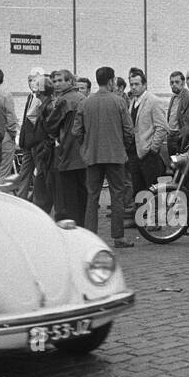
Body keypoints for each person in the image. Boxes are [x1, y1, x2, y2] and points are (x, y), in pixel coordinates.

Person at [75, 66, 135, 248]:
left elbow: (77, 131)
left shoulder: (85, 103)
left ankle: (90, 236)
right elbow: (128, 131)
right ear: (111, 81)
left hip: (93, 156)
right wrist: (122, 146)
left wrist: (86, 147)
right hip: (115, 156)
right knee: (117, 195)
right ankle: (118, 237)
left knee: (92, 196)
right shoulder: (119, 102)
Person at [45, 69, 87, 223]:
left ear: (70, 81)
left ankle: (74, 226)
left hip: (67, 151)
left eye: (60, 80)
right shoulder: (83, 98)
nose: (56, 84)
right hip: (83, 152)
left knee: (68, 195)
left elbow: (51, 125)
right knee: (82, 192)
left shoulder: (63, 101)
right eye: (55, 81)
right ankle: (84, 225)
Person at [129, 69, 169, 197]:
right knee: (138, 189)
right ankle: (141, 214)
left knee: (152, 189)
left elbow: (162, 127)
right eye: (132, 84)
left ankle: (155, 215)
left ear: (144, 85)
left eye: (137, 84)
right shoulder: (133, 102)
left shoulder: (153, 101)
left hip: (148, 154)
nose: (134, 87)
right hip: (135, 153)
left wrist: (153, 149)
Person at [19, 67, 54, 212]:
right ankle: (25, 202)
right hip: (31, 144)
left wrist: (38, 144)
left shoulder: (46, 104)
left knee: (40, 177)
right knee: (28, 175)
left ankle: (38, 206)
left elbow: (42, 126)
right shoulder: (32, 98)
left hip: (38, 145)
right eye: (29, 80)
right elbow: (28, 121)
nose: (31, 83)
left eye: (33, 80)